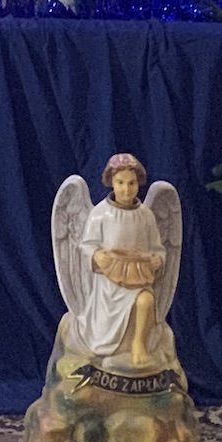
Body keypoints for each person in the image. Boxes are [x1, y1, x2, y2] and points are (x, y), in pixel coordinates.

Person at [75, 153, 168, 372]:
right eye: (120, 183)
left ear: (138, 183)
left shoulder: (146, 216)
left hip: (138, 276)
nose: (126, 189)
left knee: (146, 300)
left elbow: (157, 247)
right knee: (106, 326)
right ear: (111, 182)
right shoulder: (100, 214)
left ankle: (138, 343)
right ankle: (107, 345)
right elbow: (86, 245)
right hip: (109, 283)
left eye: (131, 183)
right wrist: (96, 255)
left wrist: (158, 259)